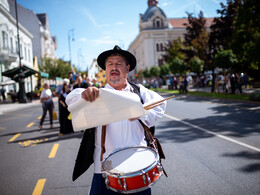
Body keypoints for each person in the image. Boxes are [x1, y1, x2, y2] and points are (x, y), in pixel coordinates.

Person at [66, 45, 166, 195]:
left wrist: (140, 113)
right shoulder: (96, 94)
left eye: (119, 63)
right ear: (105, 70)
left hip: (137, 168)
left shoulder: (139, 91)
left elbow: (161, 104)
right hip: (105, 171)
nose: (114, 67)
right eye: (110, 64)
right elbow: (71, 98)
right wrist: (84, 94)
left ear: (127, 68)